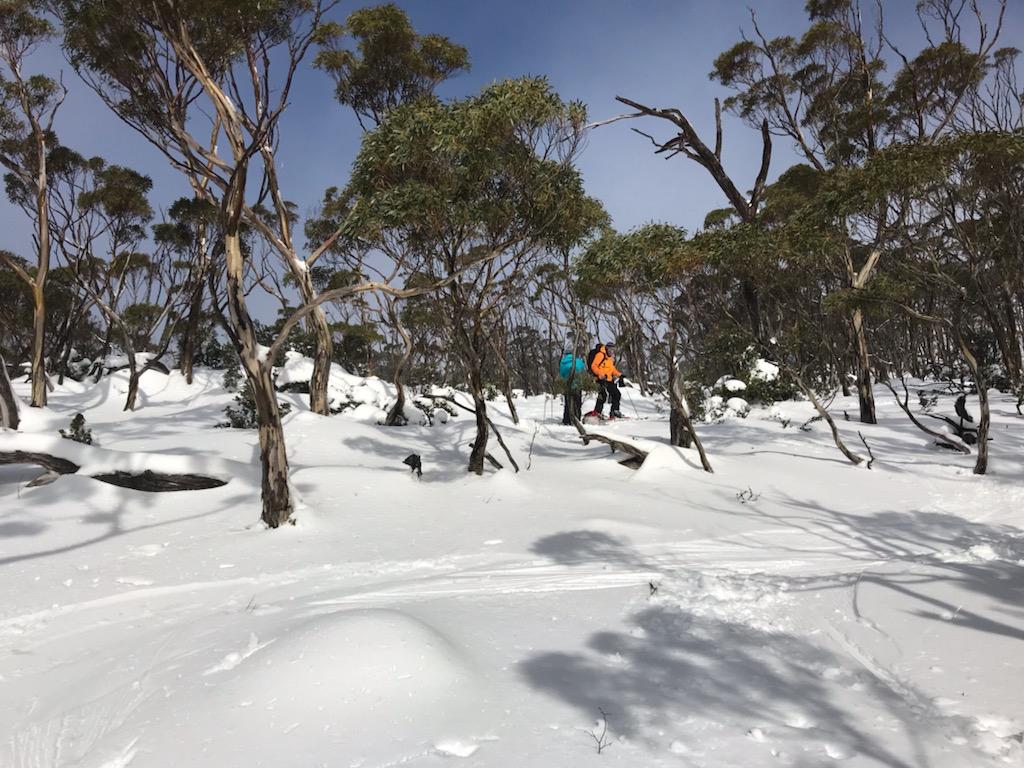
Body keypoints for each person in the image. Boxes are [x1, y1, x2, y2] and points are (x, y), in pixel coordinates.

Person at [587, 342, 624, 419]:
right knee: (603, 395)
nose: (612, 351)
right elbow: (593, 366)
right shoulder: (600, 355)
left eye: (613, 349)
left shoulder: (610, 358)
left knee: (616, 394)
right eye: (610, 349)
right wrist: (600, 374)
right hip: (600, 379)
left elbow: (612, 369)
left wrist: (619, 375)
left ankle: (614, 411)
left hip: (608, 379)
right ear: (606, 348)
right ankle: (597, 413)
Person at [558, 347, 586, 425]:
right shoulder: (578, 361)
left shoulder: (563, 362)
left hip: (568, 385)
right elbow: (582, 369)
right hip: (578, 384)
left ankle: (567, 420)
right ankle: (577, 418)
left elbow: (562, 374)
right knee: (577, 403)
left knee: (568, 403)